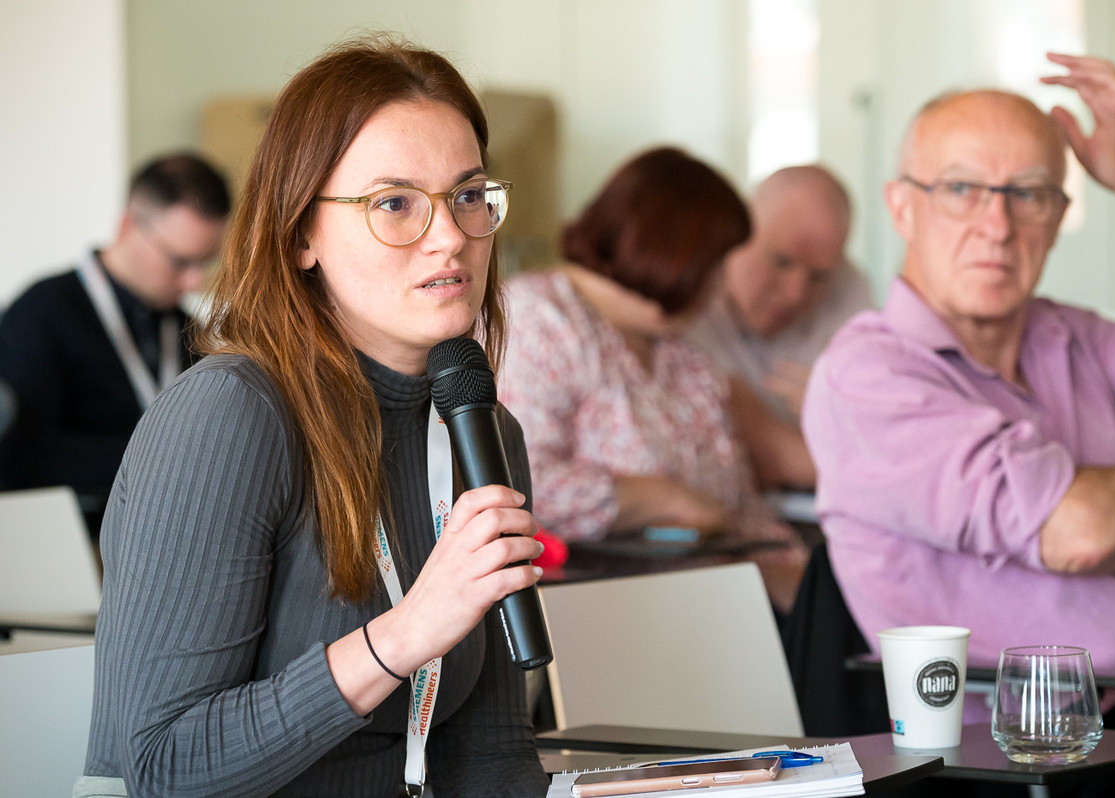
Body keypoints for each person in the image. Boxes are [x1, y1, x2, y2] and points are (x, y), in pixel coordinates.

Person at [77, 36, 548, 797]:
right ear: (301, 234)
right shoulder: (228, 416)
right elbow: (163, 768)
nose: (450, 237)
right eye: (395, 203)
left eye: (468, 196)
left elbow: (491, 753)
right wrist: (403, 635)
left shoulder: (481, 433)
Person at [803, 53, 1115, 792]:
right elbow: (1077, 534)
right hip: (1007, 764)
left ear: (1058, 216)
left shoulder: (1072, 337)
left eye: (1029, 194)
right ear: (902, 207)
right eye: (961, 189)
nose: (998, 225)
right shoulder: (867, 376)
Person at [496, 147, 808, 612]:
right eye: (713, 267)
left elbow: (735, 506)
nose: (718, 288)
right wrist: (660, 499)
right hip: (602, 610)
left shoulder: (680, 349)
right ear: (671, 252)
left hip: (720, 604)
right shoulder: (539, 319)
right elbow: (516, 483)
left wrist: (802, 584)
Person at [0, 153, 230, 540]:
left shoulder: (187, 330)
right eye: (179, 261)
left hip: (165, 540)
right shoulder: (42, 313)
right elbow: (23, 458)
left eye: (206, 262)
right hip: (68, 547)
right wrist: (161, 458)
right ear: (127, 226)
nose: (193, 282)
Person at [686, 165, 873, 489]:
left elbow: (878, 428)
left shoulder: (848, 288)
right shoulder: (684, 291)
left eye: (818, 277)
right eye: (782, 261)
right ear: (736, 233)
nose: (795, 293)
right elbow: (772, 459)